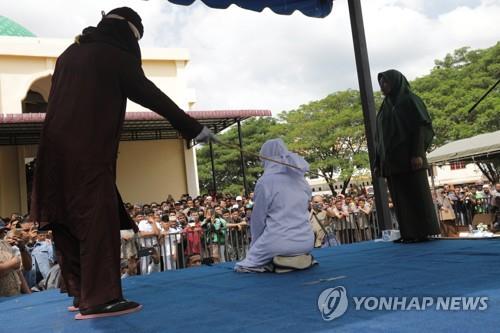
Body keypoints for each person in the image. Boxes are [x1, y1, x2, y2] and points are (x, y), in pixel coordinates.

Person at [30, 7, 217, 319]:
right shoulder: (114, 57)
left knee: (66, 220)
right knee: (97, 223)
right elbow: (153, 96)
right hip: (88, 156)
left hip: (51, 154)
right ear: (128, 34)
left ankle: (80, 293)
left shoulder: (68, 55)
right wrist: (195, 128)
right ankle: (99, 299)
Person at [374, 69, 440, 243]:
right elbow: (379, 137)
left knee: (415, 195)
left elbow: (419, 127)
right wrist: (378, 161)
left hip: (410, 159)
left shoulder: (410, 99)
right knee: (399, 199)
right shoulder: (385, 106)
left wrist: (417, 154)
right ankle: (408, 233)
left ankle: (422, 232)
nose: (383, 86)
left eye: (386, 82)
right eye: (381, 83)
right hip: (392, 163)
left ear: (396, 81)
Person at [235, 139, 315, 273]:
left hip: (278, 242)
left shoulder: (265, 181)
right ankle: (293, 259)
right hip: (307, 241)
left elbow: (258, 219)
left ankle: (272, 263)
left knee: (242, 266)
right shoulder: (301, 179)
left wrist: (256, 244)